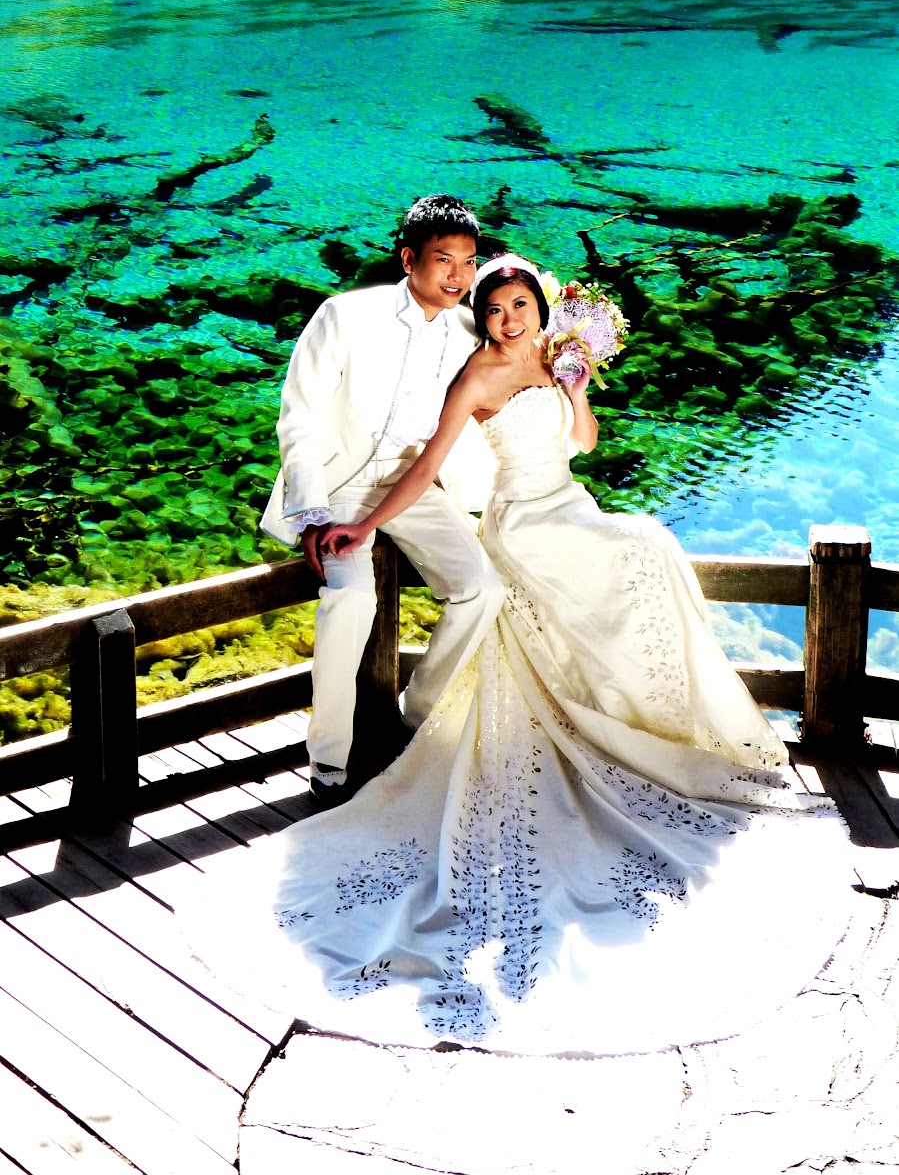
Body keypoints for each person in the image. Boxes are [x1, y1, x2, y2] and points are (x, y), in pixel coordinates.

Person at [196, 252, 851, 1056]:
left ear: (541, 308)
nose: (509, 320)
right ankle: (600, 720)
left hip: (567, 502)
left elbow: (582, 443)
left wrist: (576, 387)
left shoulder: (555, 356)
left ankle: (643, 719)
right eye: (495, 309)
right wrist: (362, 524)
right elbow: (428, 465)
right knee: (635, 551)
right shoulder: (475, 375)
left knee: (646, 544)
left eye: (520, 307)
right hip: (522, 523)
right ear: (482, 317)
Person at [259, 194, 505, 799]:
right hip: (340, 485)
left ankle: (417, 717)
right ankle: (328, 757)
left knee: (481, 588)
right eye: (443, 259)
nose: (458, 276)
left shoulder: (471, 330)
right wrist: (312, 513)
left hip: (413, 483)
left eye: (469, 262)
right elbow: (299, 415)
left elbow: (517, 364)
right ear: (408, 258)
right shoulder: (343, 315)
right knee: (351, 599)